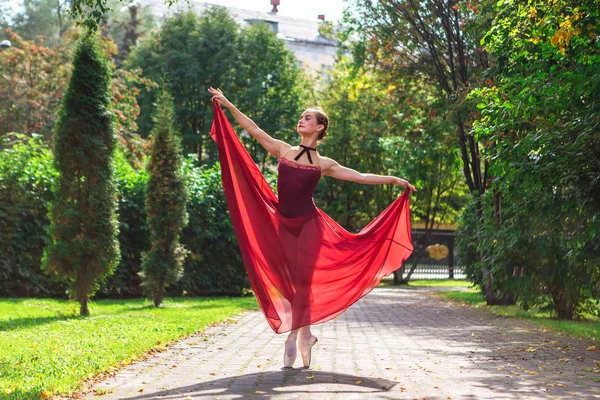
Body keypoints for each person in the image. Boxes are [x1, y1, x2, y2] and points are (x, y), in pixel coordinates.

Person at [208, 87, 415, 369]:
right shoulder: (283, 149)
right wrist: (228, 103)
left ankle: (293, 338)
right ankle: (307, 335)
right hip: (283, 224)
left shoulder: (323, 163)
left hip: (309, 226)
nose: (301, 120)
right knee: (288, 281)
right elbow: (253, 129)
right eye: (301, 116)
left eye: (308, 118)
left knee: (303, 283)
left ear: (319, 127)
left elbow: (360, 176)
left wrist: (394, 180)